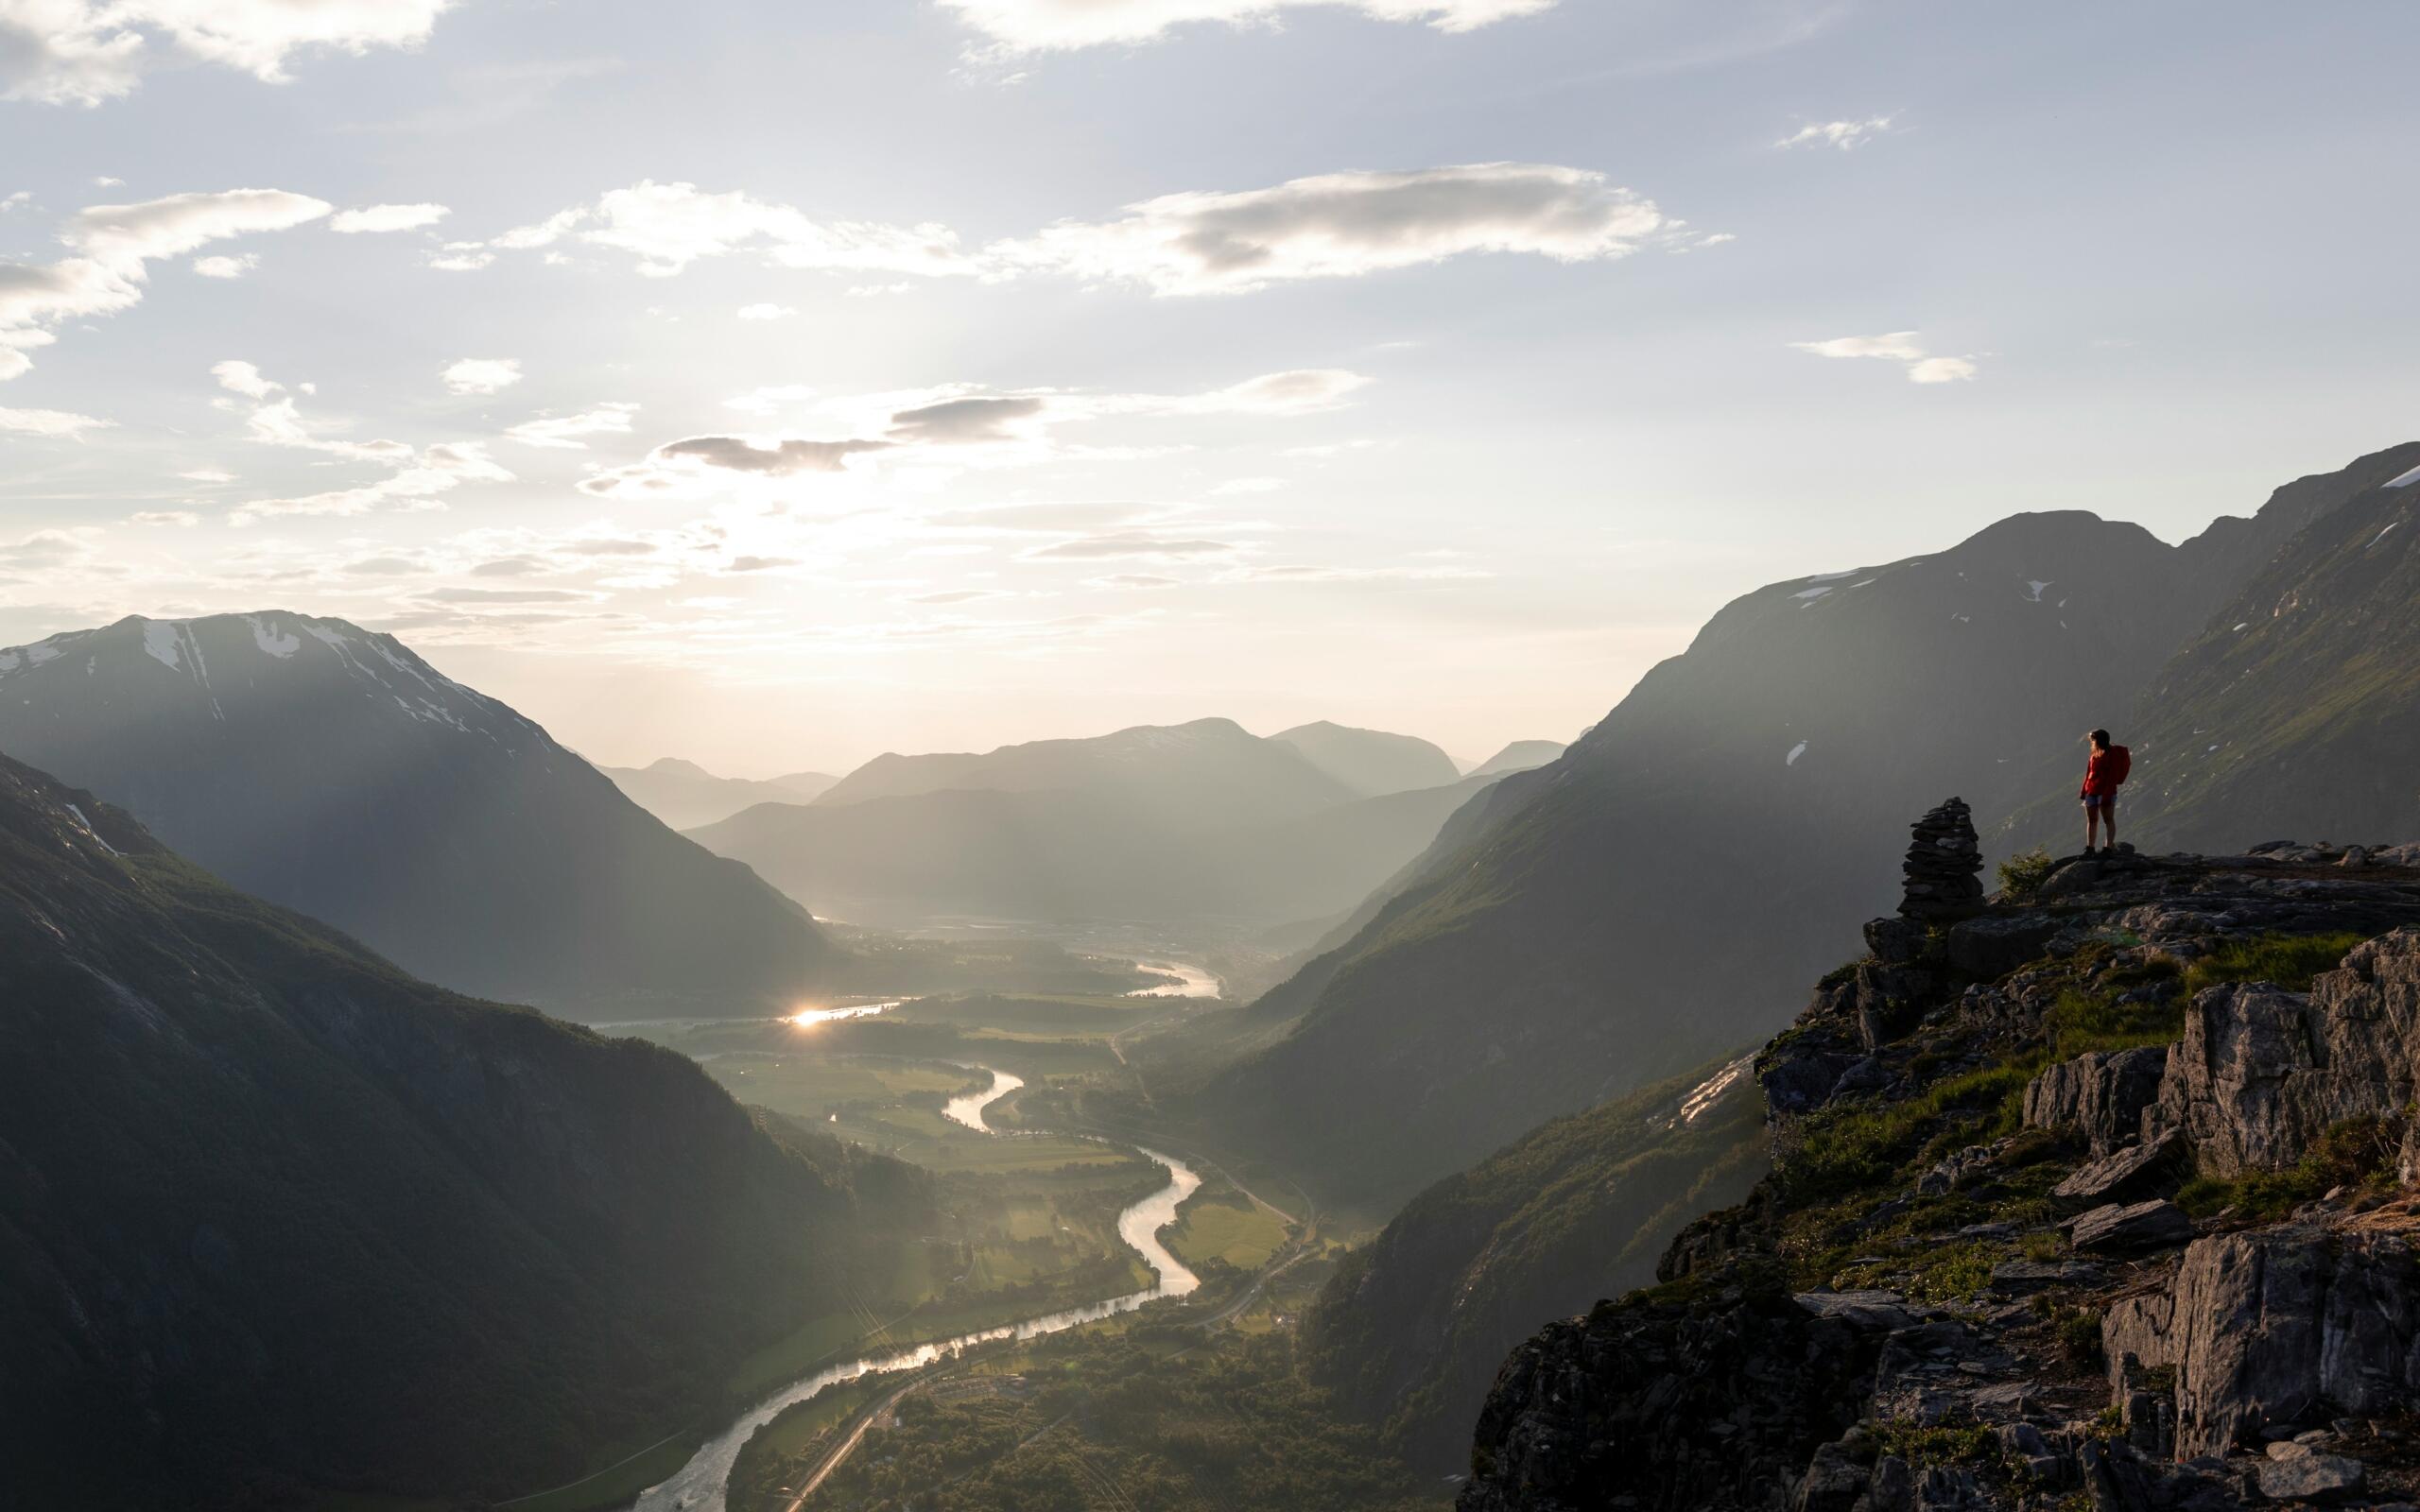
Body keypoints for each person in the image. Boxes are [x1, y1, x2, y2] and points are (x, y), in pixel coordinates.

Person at [2081, 728, 2130, 855]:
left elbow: (2112, 776)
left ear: (2098, 740)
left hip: (2105, 792)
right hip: (2091, 791)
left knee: (2108, 819)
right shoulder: (2094, 753)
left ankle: (2108, 847)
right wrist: (2084, 791)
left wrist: (2107, 794)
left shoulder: (2112, 754)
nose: (2091, 741)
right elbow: (2089, 773)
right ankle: (2090, 847)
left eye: (2093, 739)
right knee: (2092, 820)